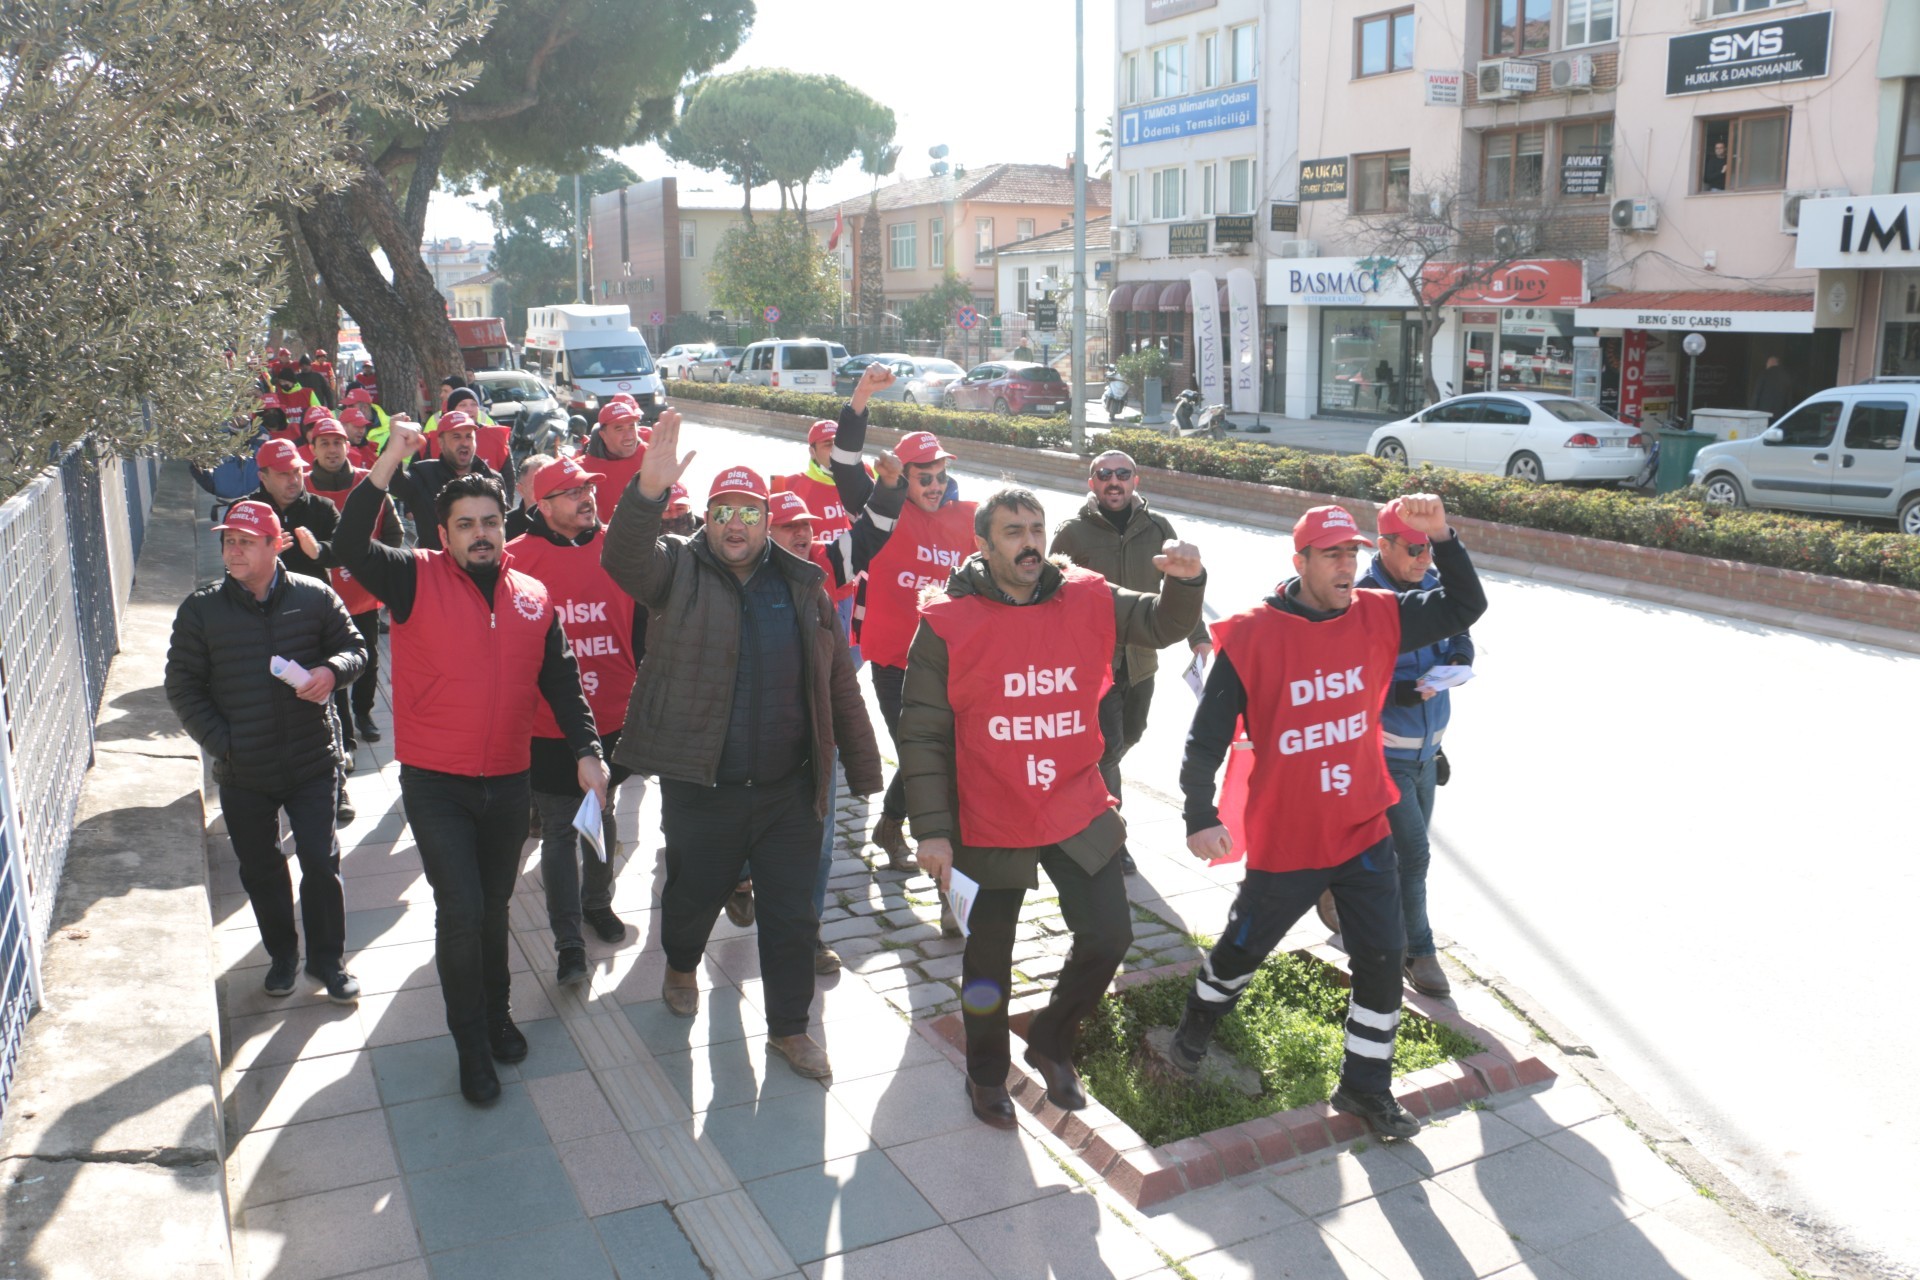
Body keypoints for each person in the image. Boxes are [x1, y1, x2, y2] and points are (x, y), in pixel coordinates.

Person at [1173, 499, 1486, 1140]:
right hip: (1290, 837)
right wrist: (1199, 814)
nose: (1347, 566)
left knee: (1382, 957)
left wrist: (1443, 538)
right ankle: (1193, 1030)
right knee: (1242, 950)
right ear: (1302, 562)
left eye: (1352, 553)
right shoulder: (1255, 634)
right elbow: (1205, 737)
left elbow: (1464, 606)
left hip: (1365, 826)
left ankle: (1365, 1088)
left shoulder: (1380, 613)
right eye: (1332, 555)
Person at [900, 487, 1206, 1128]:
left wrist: (1186, 582)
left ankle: (1049, 1037)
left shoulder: (1085, 595)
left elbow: (1161, 624)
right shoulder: (947, 623)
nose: (1030, 541)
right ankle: (985, 1075)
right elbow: (923, 733)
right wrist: (931, 830)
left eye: (1036, 528)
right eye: (1013, 531)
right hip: (988, 812)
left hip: (1074, 798)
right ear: (982, 545)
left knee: (1111, 935)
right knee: (988, 959)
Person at [598, 412, 882, 1079]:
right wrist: (645, 495)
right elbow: (622, 559)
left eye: (748, 513)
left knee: (790, 915)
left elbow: (838, 681)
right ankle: (679, 963)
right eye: (722, 511)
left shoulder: (803, 584)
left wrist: (864, 768)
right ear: (707, 519)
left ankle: (791, 1027)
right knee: (694, 893)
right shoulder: (677, 569)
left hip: (788, 789)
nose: (734, 525)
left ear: (765, 520)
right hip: (704, 784)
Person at [335, 421, 608, 1106]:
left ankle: (498, 1014)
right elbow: (345, 546)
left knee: (493, 910)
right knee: (459, 910)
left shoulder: (532, 596)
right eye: (466, 524)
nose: (481, 533)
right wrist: (388, 461)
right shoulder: (412, 576)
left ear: (503, 523)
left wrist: (587, 751)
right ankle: (469, 1044)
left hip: (508, 780)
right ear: (444, 531)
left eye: (490, 521)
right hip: (437, 782)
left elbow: (563, 680)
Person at [163, 500, 367, 1003]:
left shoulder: (316, 596)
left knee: (321, 862)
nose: (232, 550)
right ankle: (282, 957)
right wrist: (224, 744)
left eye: (245, 542)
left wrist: (332, 671)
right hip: (243, 770)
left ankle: (328, 962)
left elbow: (357, 647)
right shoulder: (201, 610)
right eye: (228, 540)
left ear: (276, 547)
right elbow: (182, 686)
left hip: (312, 761)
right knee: (261, 869)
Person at [829, 363, 975, 871]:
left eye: (941, 476)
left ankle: (890, 822)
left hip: (950, 665)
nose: (935, 485)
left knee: (938, 755)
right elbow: (844, 463)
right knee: (921, 756)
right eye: (924, 477)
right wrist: (862, 396)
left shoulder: (967, 520)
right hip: (893, 661)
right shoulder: (882, 509)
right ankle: (899, 831)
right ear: (904, 477)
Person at [506, 455, 644, 986]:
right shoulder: (515, 558)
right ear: (541, 505)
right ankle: (568, 941)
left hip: (615, 712)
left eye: (588, 487)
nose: (586, 497)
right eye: (570, 492)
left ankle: (597, 903)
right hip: (547, 723)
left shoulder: (620, 547)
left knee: (602, 815)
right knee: (562, 828)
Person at [1049, 449, 1211, 874]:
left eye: (1123, 473)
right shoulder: (1072, 534)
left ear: (1136, 481)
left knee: (1127, 738)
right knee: (1107, 753)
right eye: (1104, 474)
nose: (1114, 481)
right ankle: (1112, 842)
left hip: (1141, 662)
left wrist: (1198, 637)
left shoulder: (1158, 528)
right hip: (1092, 668)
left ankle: (1087, 793)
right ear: (1092, 484)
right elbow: (1052, 594)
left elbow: (1179, 585)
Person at [1356, 498, 1472, 999]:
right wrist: (1396, 692)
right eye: (1414, 549)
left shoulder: (1431, 585)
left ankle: (1345, 893)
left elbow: (1459, 625)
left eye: (1429, 548)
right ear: (1383, 547)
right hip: (1385, 755)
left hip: (1427, 753)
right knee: (1415, 855)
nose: (1425, 558)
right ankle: (1417, 951)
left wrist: (1462, 655)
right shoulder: (1360, 598)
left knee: (1396, 854)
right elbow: (1345, 677)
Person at [764, 491, 848, 972]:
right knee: (753, 836)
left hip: (816, 741)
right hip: (758, 742)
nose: (802, 534)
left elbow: (840, 679)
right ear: (765, 532)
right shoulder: (745, 586)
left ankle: (808, 932)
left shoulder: (819, 591)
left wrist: (852, 750)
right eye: (789, 525)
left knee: (820, 840)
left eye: (808, 526)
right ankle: (742, 882)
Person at [304, 418, 401, 754]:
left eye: (337, 442)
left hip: (365, 592)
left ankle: (364, 713)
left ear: (347, 446)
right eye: (325, 443)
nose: (332, 450)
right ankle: (342, 724)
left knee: (369, 658)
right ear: (313, 448)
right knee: (331, 660)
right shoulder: (302, 488)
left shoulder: (367, 482)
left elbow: (393, 533)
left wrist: (380, 570)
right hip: (323, 596)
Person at [775, 419, 866, 641]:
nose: (835, 450)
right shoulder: (787, 484)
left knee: (854, 659)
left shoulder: (865, 478)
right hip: (810, 590)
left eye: (838, 443)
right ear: (812, 451)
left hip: (856, 590)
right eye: (827, 444)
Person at [383, 410, 505, 552]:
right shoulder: (424, 474)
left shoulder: (492, 478)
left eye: (469, 436)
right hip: (435, 568)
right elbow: (391, 481)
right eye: (456, 437)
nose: (464, 443)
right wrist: (394, 440)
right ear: (441, 442)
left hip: (482, 568)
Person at [584, 399, 649, 517]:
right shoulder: (582, 470)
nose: (629, 436)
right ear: (603, 435)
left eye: (631, 427)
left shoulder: (651, 456)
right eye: (619, 429)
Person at [505, 454, 555, 541]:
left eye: (552, 486)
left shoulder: (570, 523)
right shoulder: (505, 526)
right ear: (521, 490)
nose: (546, 493)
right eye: (537, 486)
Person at [1753, 353, 1795, 419]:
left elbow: (1757, 393)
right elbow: (1789, 398)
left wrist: (1753, 409)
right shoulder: (1786, 376)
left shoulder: (1764, 374)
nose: (1766, 364)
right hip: (1779, 413)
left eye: (1767, 362)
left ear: (1771, 362)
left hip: (1763, 413)